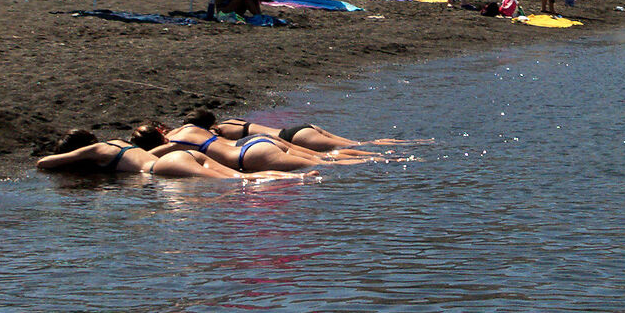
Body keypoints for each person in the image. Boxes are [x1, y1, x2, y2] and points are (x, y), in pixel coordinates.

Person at [36, 126, 262, 179]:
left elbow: (43, 162)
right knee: (245, 177)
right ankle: (289, 180)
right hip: (183, 158)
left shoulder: (95, 150)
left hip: (165, 165)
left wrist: (72, 159)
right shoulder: (117, 142)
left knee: (239, 181)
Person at [162, 123, 369, 172]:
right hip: (262, 140)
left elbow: (148, 158)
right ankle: (375, 157)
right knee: (326, 157)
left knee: (322, 164)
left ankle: (372, 160)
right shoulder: (190, 128)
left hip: (249, 153)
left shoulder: (175, 144)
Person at [178, 110, 385, 153]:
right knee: (358, 143)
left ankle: (391, 154)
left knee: (353, 149)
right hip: (302, 129)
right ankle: (397, 143)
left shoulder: (220, 132)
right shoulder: (231, 121)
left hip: (295, 138)